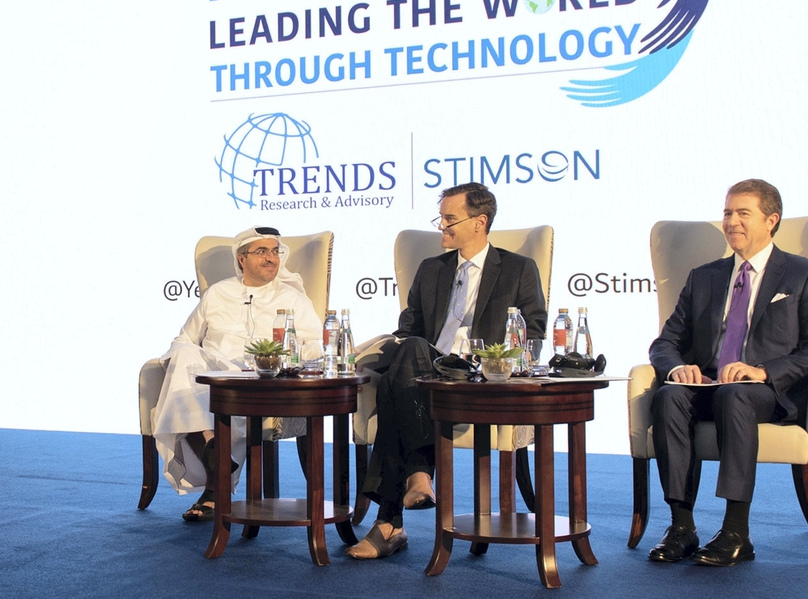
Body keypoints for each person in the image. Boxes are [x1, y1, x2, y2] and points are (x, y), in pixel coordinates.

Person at [346, 182, 547, 559]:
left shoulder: (518, 269)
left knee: (394, 386)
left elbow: (532, 333)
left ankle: (391, 519)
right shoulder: (431, 269)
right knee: (410, 350)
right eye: (440, 218)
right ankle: (415, 482)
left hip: (480, 376)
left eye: (450, 218)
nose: (441, 225)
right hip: (427, 371)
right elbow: (409, 328)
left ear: (479, 222)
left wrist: (496, 363)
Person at [646, 179, 808, 566]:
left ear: (771, 220)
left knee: (734, 395)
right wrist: (679, 367)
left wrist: (763, 371)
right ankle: (681, 527)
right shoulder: (704, 277)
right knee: (668, 396)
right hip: (709, 385)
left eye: (743, 213)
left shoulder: (802, 274)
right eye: (727, 212)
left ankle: (736, 531)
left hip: (766, 392)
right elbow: (664, 343)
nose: (731, 221)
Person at [152, 226, 322, 522]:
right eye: (262, 251)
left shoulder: (293, 298)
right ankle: (214, 449)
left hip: (262, 379)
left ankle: (214, 481)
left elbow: (314, 345)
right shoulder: (217, 293)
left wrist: (287, 359)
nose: (271, 258)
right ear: (242, 259)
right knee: (183, 356)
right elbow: (185, 339)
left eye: (275, 251)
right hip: (212, 375)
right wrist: (193, 362)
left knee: (204, 392)